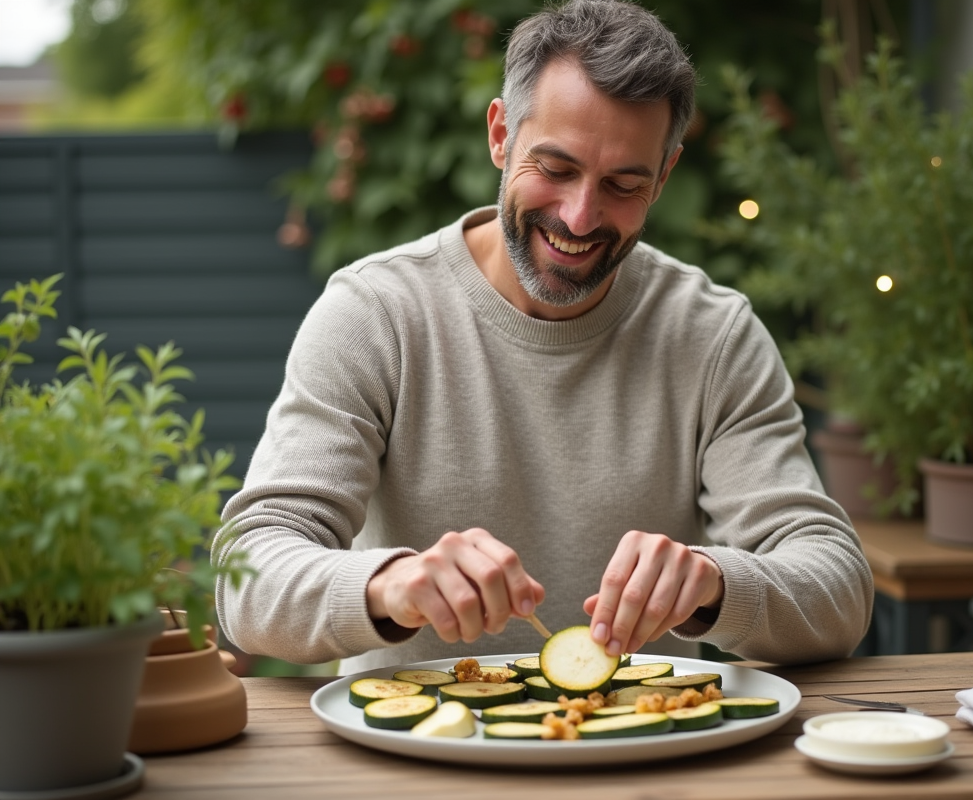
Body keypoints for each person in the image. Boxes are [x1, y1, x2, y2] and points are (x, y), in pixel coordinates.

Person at [214, 0, 873, 675]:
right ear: (501, 135)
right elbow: (246, 577)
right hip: (418, 766)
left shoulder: (712, 335)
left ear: (665, 176)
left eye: (622, 184)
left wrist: (716, 585)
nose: (580, 216)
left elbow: (838, 590)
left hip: (646, 765)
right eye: (555, 169)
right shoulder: (375, 314)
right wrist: (388, 588)